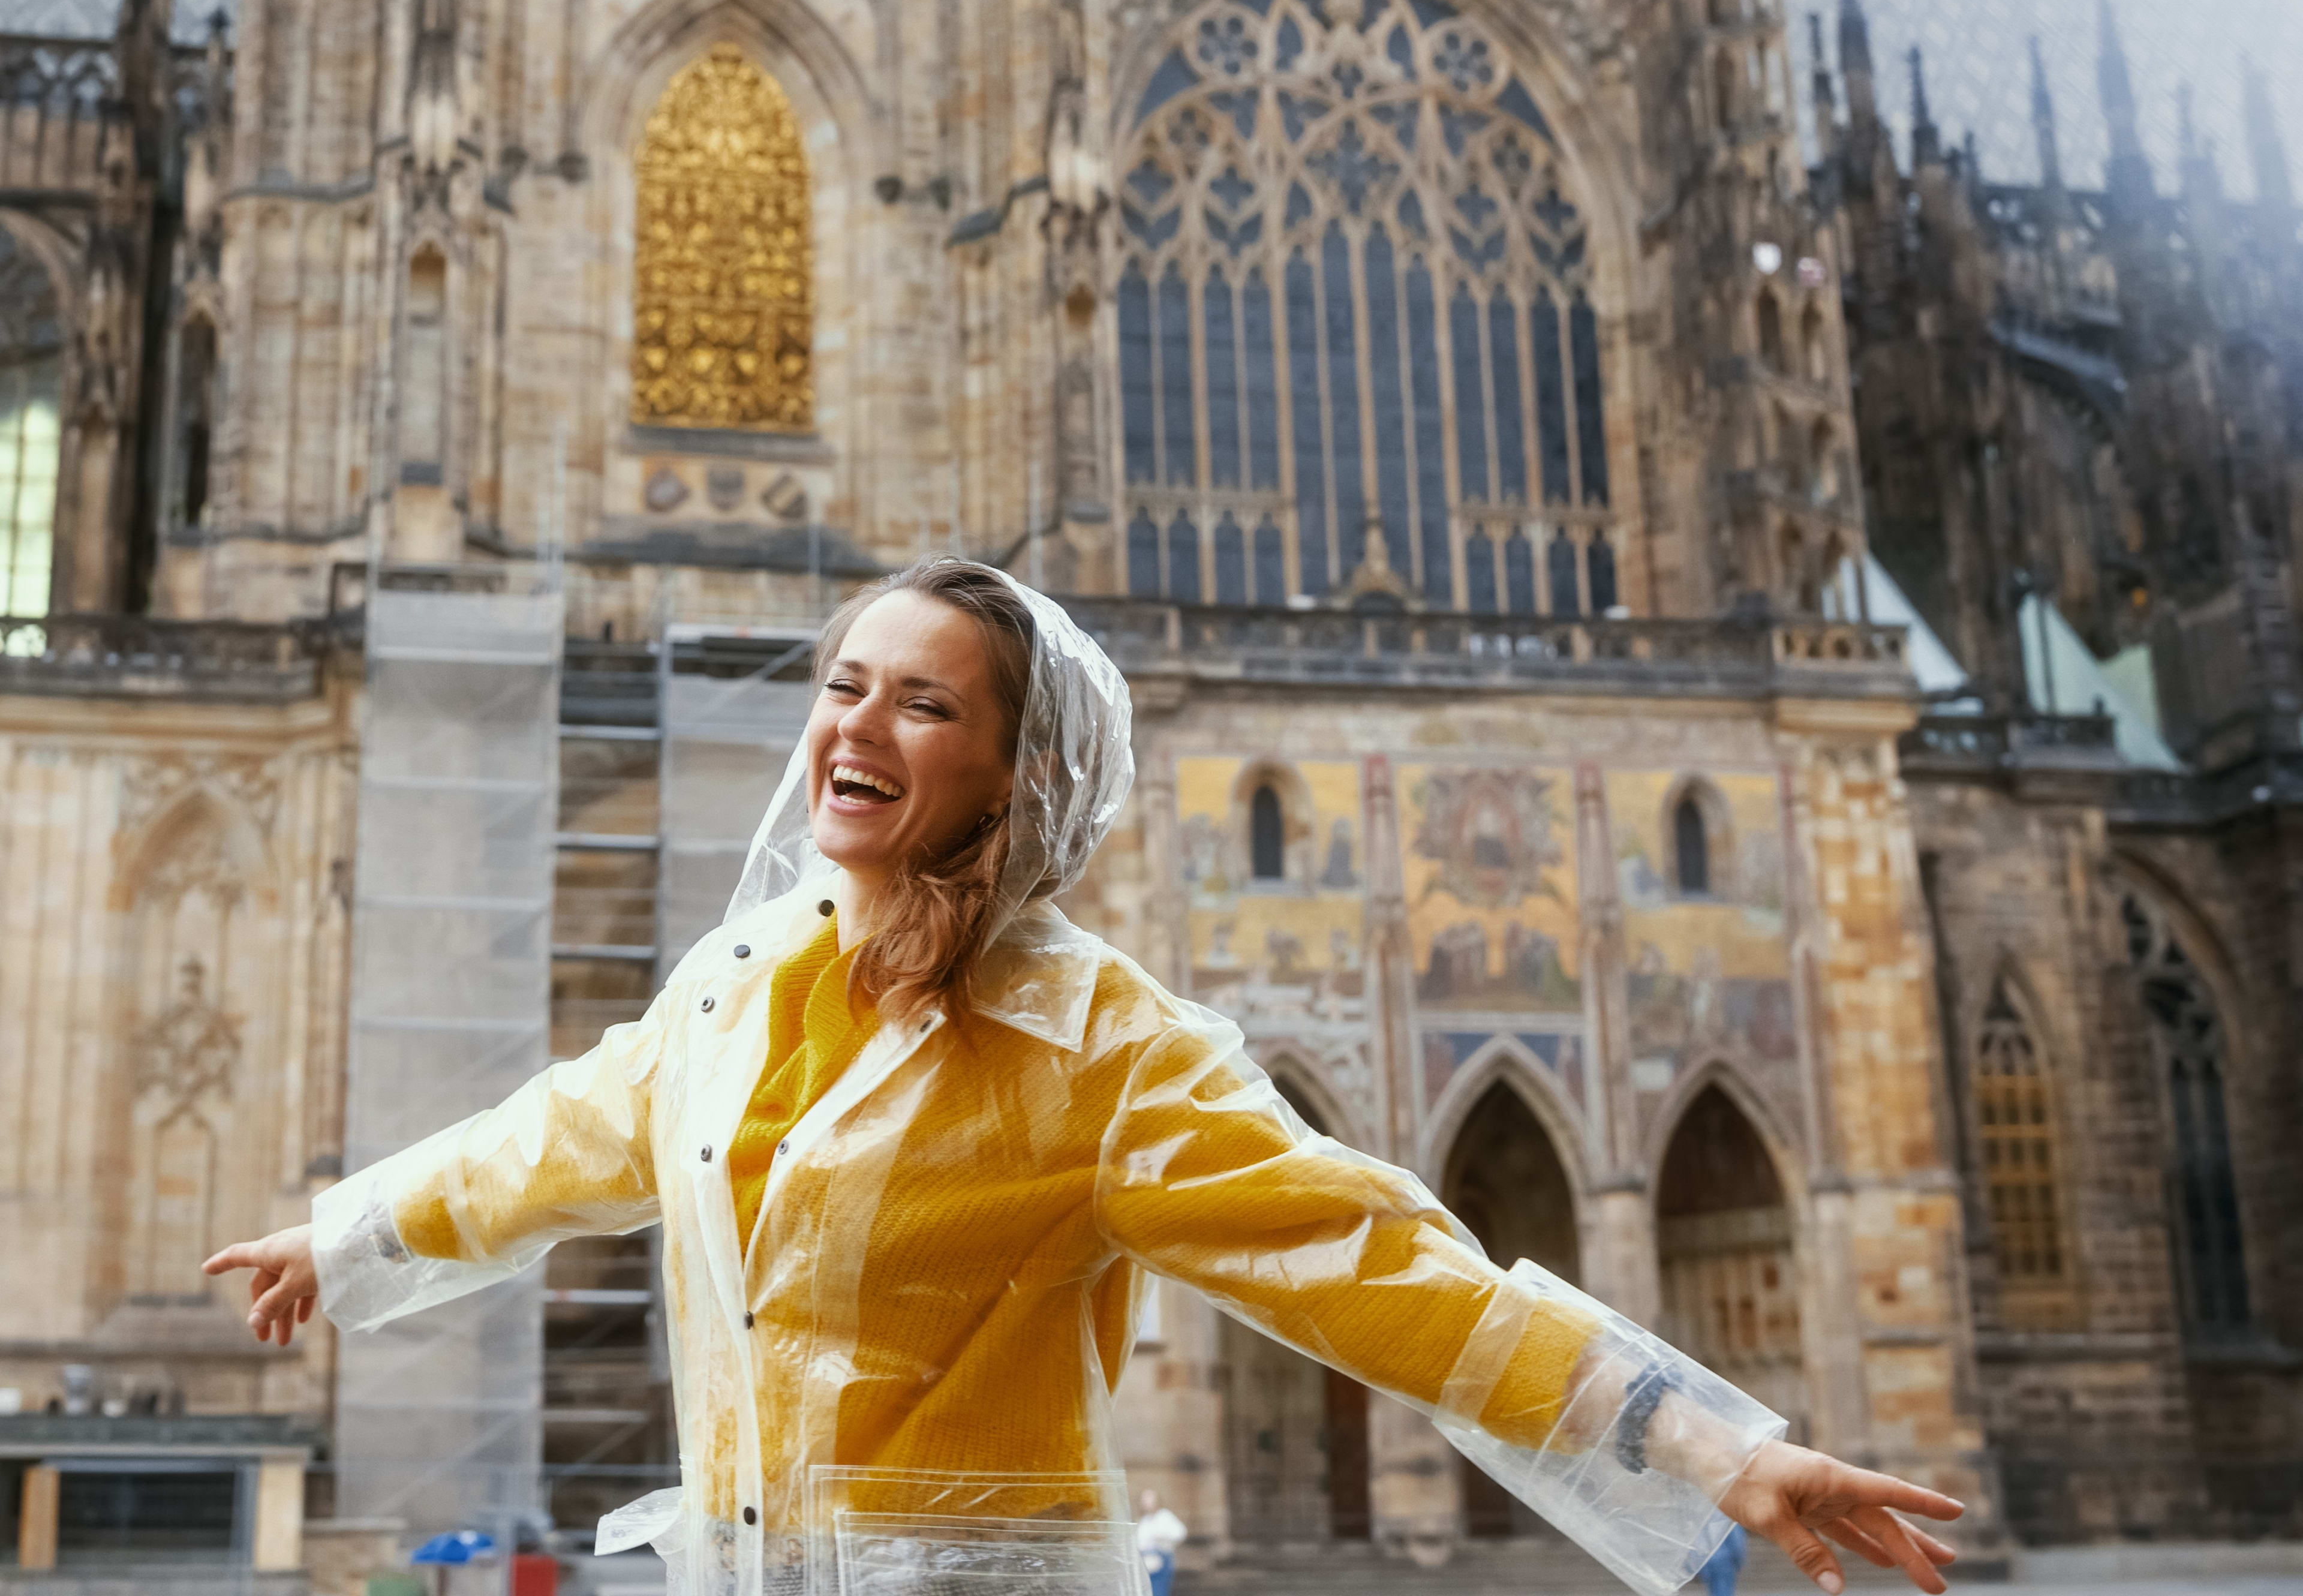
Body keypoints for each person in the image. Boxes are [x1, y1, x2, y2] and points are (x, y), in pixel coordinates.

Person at [206, 559, 1962, 1596]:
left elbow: (1385, 1271)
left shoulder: (1099, 1048)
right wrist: (340, 1239)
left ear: (1014, 771)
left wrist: (1715, 1447)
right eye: (844, 686)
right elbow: (555, 1140)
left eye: (921, 704)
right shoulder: (738, 991)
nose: (854, 726)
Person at [1135, 1490, 1185, 1596]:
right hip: (1146, 1561)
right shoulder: (1144, 1521)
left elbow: (1181, 1532)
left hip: (1161, 1559)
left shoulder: (1164, 1516)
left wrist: (1162, 1536)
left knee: (1159, 1591)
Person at [1700, 1520, 1750, 1596]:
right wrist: (1739, 1560)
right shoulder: (1729, 1520)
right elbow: (1737, 1542)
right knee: (1724, 1590)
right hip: (1725, 1561)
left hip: (1708, 1560)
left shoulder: (1707, 1519)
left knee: (1714, 1590)